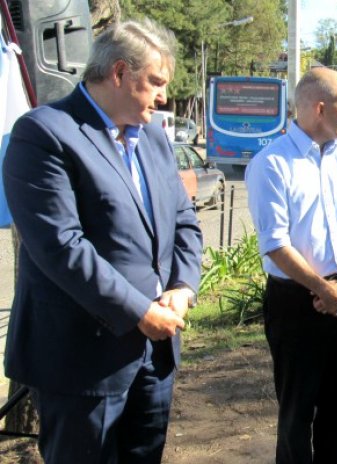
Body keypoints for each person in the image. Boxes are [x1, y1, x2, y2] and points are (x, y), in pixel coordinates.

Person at [2, 19, 202, 463]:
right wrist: (140, 311)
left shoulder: (152, 136)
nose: (163, 97)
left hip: (155, 356)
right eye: (155, 82)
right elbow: (62, 248)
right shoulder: (44, 133)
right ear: (118, 73)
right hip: (80, 364)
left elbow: (184, 218)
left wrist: (184, 290)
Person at [245, 67, 337, 463]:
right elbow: (276, 243)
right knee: (297, 413)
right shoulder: (272, 164)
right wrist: (321, 288)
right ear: (321, 108)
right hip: (295, 304)